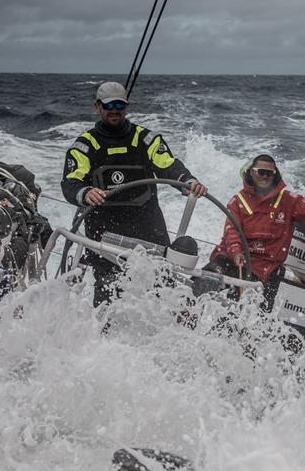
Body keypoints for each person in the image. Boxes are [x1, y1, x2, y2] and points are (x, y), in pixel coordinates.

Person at [61, 81, 207, 307]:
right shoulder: (85, 146)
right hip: (104, 233)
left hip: (148, 230)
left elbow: (168, 165)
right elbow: (71, 183)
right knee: (107, 295)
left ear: (126, 108)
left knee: (162, 288)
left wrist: (188, 182)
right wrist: (86, 192)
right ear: (97, 107)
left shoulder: (146, 139)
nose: (115, 110)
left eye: (120, 104)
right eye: (109, 105)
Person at [204, 154, 305, 312]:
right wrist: (236, 252)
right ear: (251, 173)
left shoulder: (289, 201)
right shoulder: (238, 201)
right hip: (233, 258)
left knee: (249, 307)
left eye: (269, 173)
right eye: (261, 172)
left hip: (264, 268)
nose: (265, 176)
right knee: (210, 276)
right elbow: (231, 232)